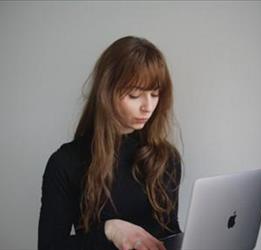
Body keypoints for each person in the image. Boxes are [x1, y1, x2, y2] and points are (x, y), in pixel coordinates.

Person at [38, 35, 183, 250]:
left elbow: (170, 233)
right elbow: (49, 247)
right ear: (107, 92)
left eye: (155, 94)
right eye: (135, 95)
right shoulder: (65, 163)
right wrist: (109, 230)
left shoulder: (166, 158)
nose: (148, 106)